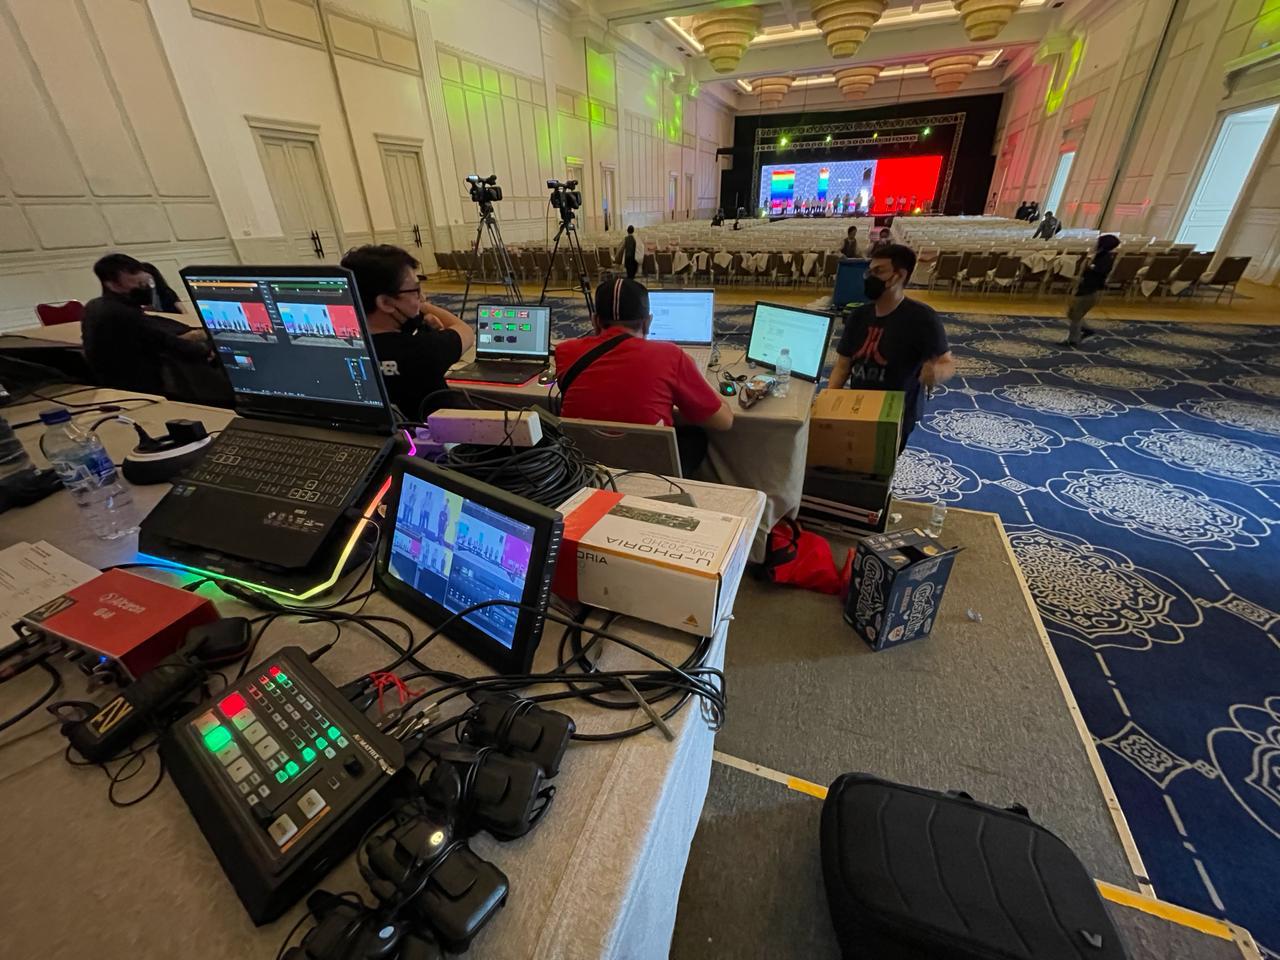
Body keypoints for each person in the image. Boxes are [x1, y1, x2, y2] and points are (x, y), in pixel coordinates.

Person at [554, 277, 732, 473]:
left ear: (595, 321)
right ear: (648, 323)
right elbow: (724, 421)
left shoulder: (565, 352)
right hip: (651, 471)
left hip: (583, 469)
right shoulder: (671, 356)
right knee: (695, 436)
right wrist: (694, 370)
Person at [829, 244, 954, 451]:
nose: (870, 277)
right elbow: (843, 366)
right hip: (859, 406)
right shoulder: (859, 316)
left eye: (878, 271)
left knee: (880, 463)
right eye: (870, 271)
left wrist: (936, 372)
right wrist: (829, 400)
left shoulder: (922, 318)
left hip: (895, 414)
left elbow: (945, 362)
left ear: (899, 276)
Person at [340, 244, 474, 419]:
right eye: (415, 291)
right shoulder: (422, 349)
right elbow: (465, 331)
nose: (422, 296)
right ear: (386, 303)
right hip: (441, 433)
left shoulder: (338, 349)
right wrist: (423, 307)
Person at [82, 253, 216, 397]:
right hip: (139, 390)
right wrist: (205, 350)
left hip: (111, 386)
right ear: (111, 283)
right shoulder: (123, 313)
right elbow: (166, 342)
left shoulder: (95, 306)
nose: (145, 288)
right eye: (139, 284)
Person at [1063, 233, 1120, 348]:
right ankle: (1087, 330)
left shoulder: (1105, 258)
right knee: (1072, 313)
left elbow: (1098, 272)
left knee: (1076, 316)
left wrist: (1089, 265)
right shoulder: (1099, 256)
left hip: (1090, 290)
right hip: (1087, 287)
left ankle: (1073, 340)